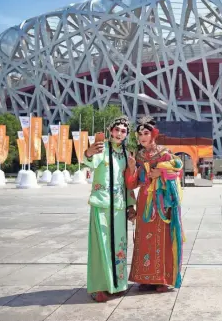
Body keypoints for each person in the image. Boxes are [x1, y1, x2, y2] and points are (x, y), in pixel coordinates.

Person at [125, 116, 185, 293]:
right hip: (144, 200)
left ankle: (162, 279)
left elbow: (177, 173)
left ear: (153, 135)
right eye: (140, 134)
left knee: (162, 238)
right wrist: (131, 168)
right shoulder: (139, 155)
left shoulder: (165, 153)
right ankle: (145, 278)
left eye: (146, 133)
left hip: (160, 201)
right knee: (144, 239)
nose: (143, 137)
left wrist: (161, 173)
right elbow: (132, 183)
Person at [83, 115, 136, 303]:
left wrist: (131, 205)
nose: (120, 133)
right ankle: (99, 286)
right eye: (117, 129)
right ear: (110, 130)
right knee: (102, 245)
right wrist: (88, 153)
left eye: (123, 131)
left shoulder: (125, 154)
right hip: (102, 203)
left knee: (119, 245)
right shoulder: (101, 148)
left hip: (119, 206)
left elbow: (127, 181)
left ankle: (117, 284)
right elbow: (89, 163)